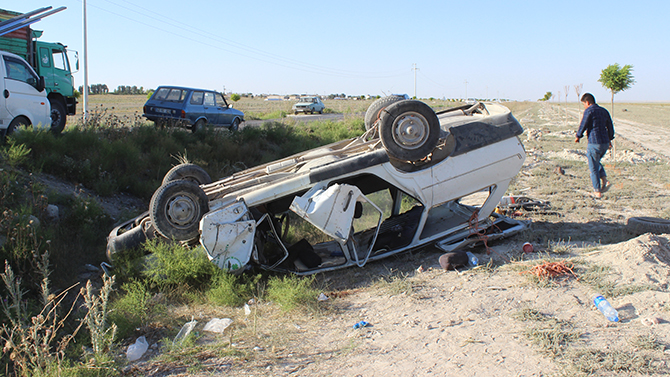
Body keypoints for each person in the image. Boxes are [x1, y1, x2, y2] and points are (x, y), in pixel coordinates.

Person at [575, 93, 615, 198]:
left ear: (587, 102)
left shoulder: (589, 111)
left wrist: (578, 136)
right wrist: (610, 139)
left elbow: (583, 124)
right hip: (605, 143)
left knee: (593, 167)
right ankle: (605, 180)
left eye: (584, 104)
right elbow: (610, 126)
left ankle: (597, 191)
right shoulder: (604, 111)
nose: (584, 106)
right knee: (596, 161)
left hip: (594, 142)